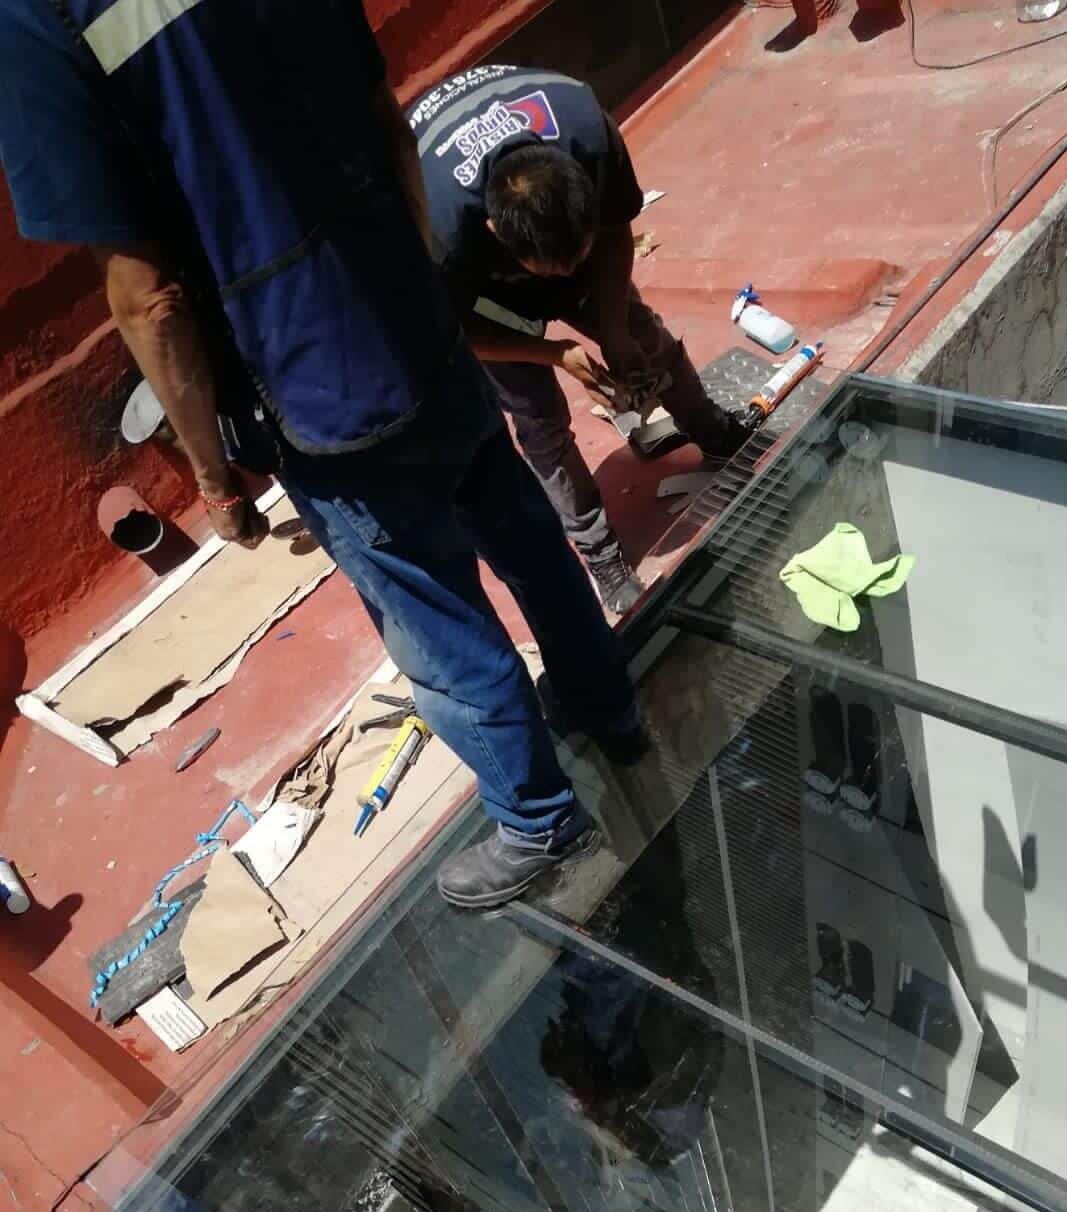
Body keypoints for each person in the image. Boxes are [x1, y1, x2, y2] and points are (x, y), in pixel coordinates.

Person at [0, 0, 644, 910]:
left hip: (313, 390)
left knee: (433, 619)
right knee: (526, 538)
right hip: (418, 324)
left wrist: (217, 481)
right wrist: (420, 294)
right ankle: (609, 708)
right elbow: (385, 117)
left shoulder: (33, 22)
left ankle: (538, 818)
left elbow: (147, 297)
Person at [411, 67, 755, 616]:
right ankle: (599, 549)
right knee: (539, 419)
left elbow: (616, 227)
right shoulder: (435, 228)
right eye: (553, 269)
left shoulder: (584, 128)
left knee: (645, 340)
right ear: (498, 234)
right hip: (484, 303)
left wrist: (613, 326)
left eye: (578, 256)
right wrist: (550, 352)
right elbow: (452, 334)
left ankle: (711, 428)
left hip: (543, 242)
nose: (568, 276)